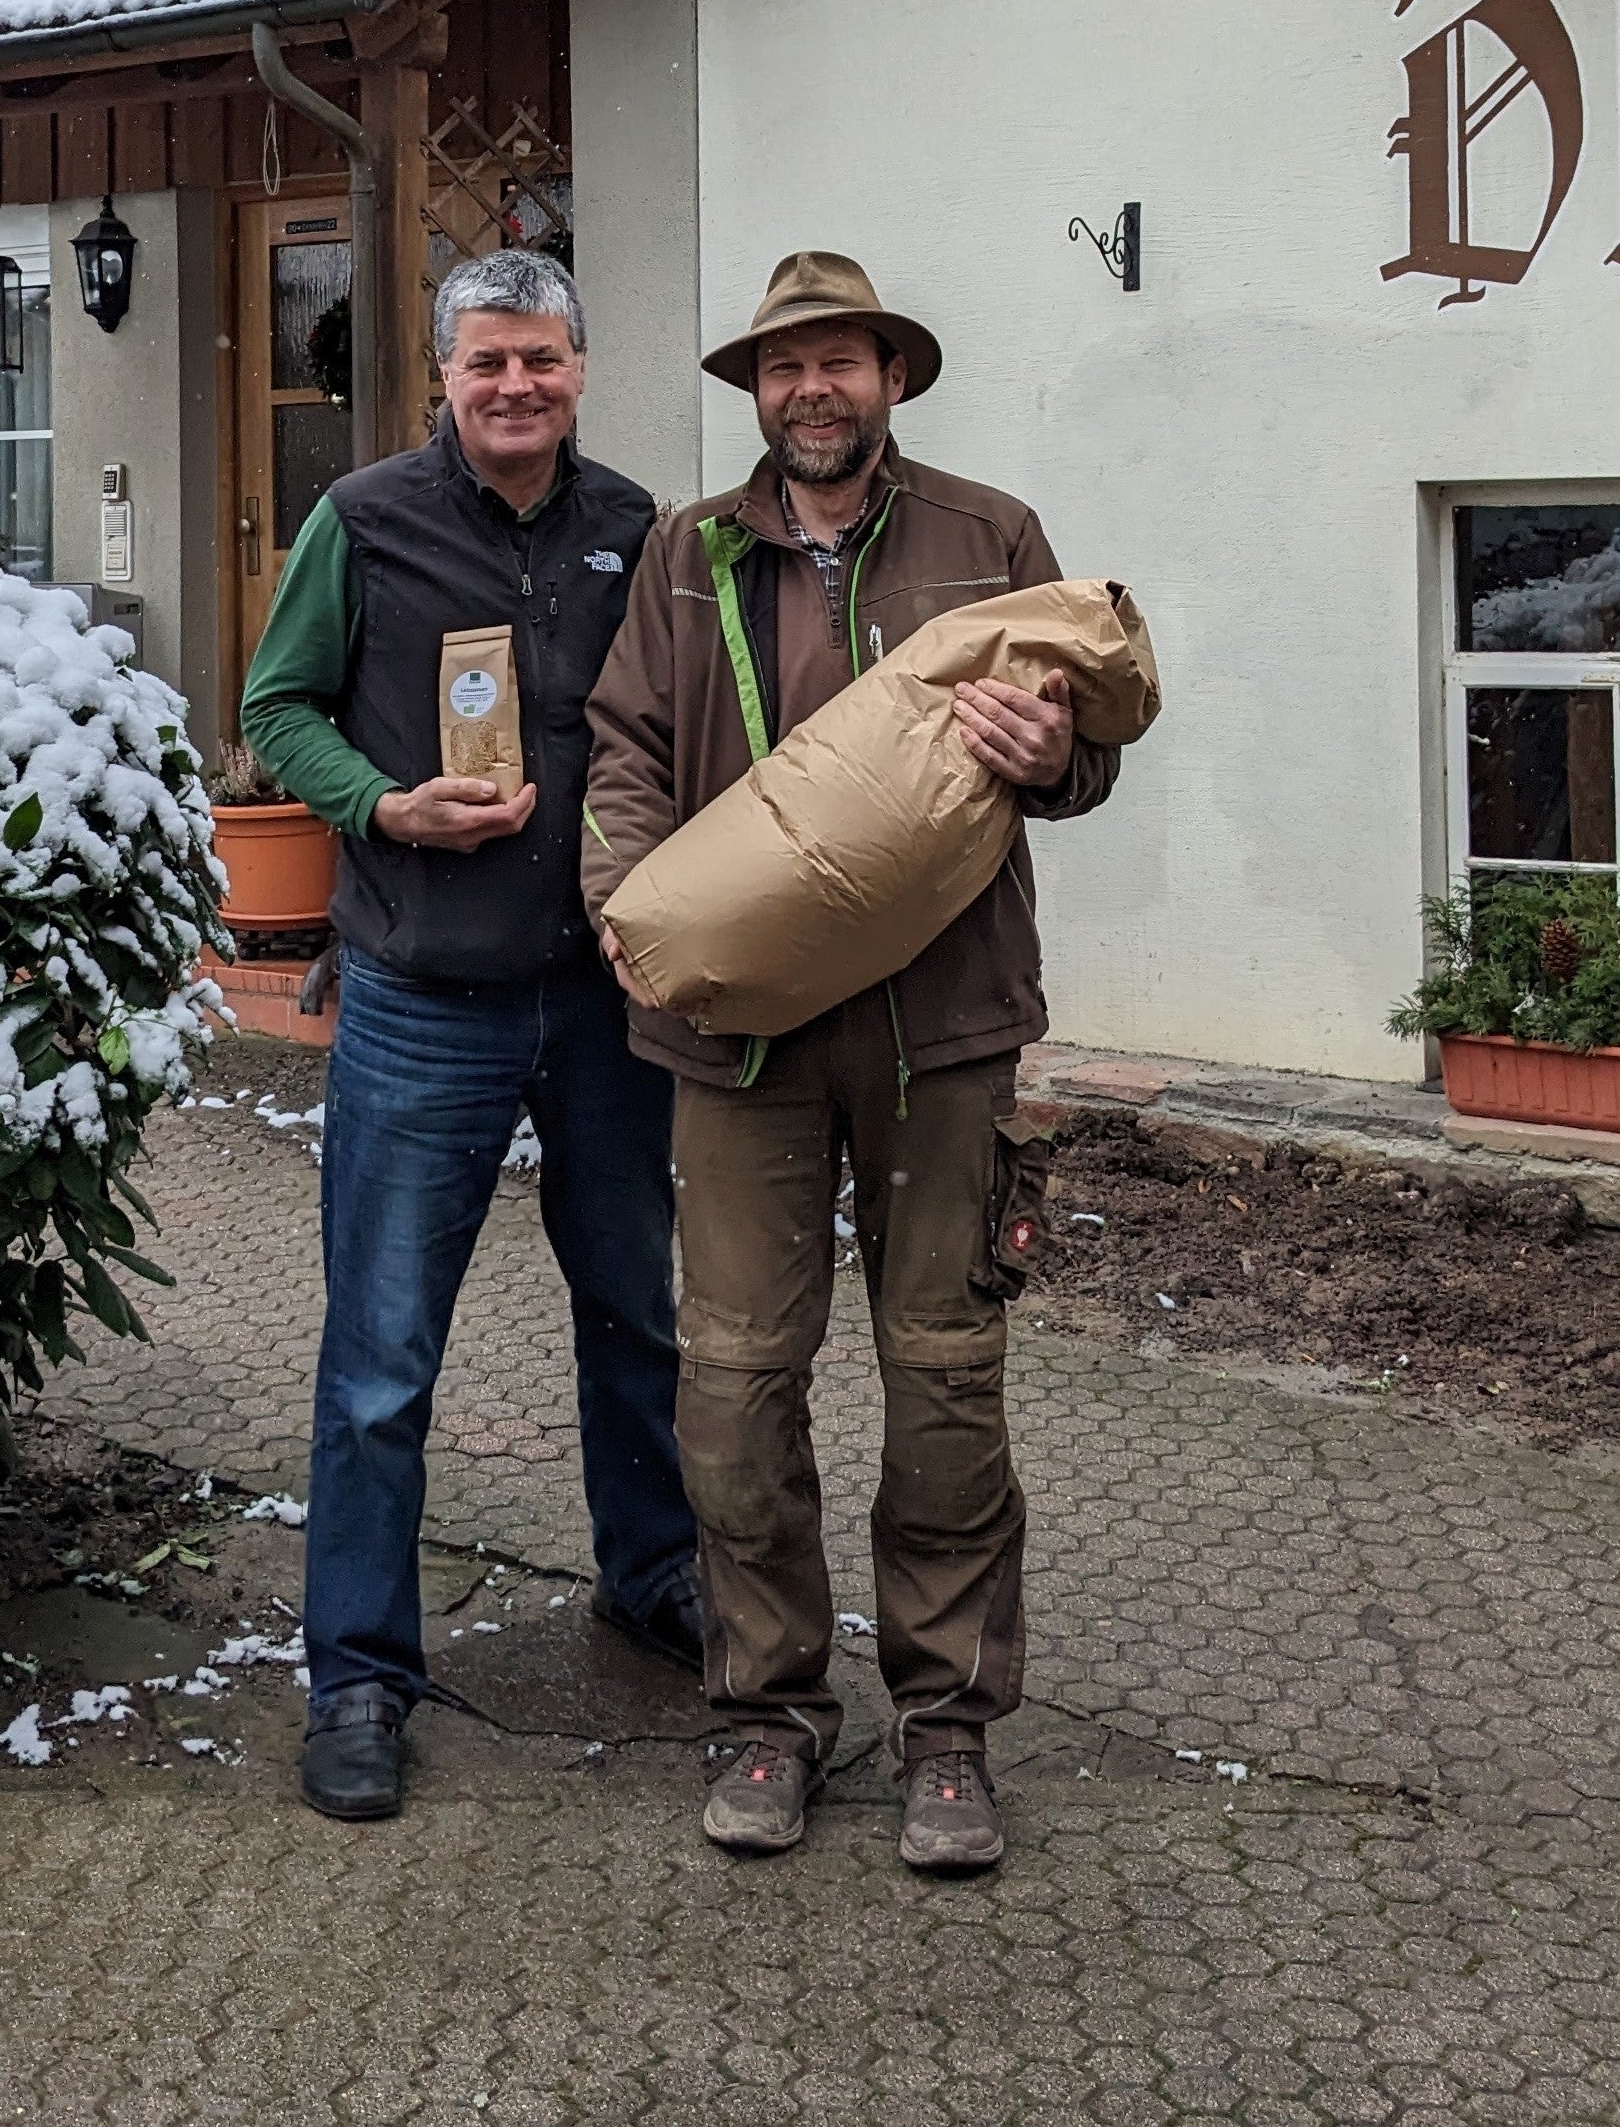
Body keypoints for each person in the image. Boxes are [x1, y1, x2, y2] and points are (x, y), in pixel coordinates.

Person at [581, 251, 1130, 1876]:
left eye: (840, 362)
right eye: (783, 366)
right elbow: (622, 749)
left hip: (938, 1027)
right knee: (736, 1382)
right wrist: (625, 898)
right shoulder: (688, 556)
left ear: (893, 377)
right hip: (737, 1035)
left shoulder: (989, 539)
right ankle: (769, 1708)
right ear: (756, 393)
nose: (811, 390)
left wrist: (1060, 757)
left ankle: (946, 1726)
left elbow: (1084, 749)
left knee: (945, 1375)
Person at [241, 246, 703, 1823]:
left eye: (542, 359)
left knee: (636, 1314)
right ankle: (359, 1675)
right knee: (382, 1358)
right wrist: (383, 807)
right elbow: (276, 709)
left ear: (581, 368)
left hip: (603, 1000)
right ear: (441, 374)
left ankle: (653, 1573)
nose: (517, 385)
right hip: (422, 1000)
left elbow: (676, 733)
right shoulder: (362, 519)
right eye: (487, 360)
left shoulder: (635, 528)